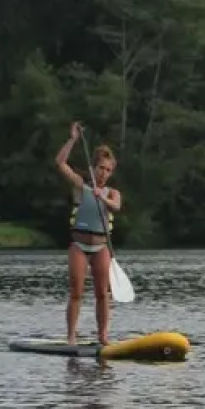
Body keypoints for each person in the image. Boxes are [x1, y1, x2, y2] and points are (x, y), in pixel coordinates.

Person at [55, 121, 121, 345]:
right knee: (76, 291)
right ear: (94, 169)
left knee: (103, 293)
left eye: (108, 170)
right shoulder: (81, 185)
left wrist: (101, 196)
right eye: (101, 168)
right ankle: (71, 336)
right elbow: (60, 163)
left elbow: (115, 207)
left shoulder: (113, 193)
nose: (104, 173)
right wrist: (73, 138)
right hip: (80, 246)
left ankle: (103, 336)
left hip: (101, 246)